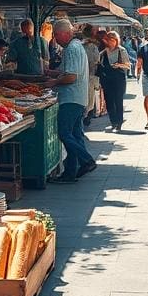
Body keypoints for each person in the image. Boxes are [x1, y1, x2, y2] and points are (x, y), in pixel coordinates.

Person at [45, 19, 96, 183]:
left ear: (63, 34)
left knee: (64, 133)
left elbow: (70, 77)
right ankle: (70, 173)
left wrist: (53, 82)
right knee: (75, 135)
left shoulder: (71, 49)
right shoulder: (76, 47)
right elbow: (64, 72)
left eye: (55, 35)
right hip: (78, 98)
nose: (55, 38)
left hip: (71, 98)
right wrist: (49, 73)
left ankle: (87, 160)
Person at [99, 31, 131, 131]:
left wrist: (119, 65)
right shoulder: (103, 53)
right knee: (109, 102)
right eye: (109, 40)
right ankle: (113, 122)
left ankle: (119, 123)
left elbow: (128, 65)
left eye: (113, 40)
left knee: (118, 101)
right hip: (107, 80)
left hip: (118, 80)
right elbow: (99, 65)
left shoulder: (122, 51)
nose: (111, 42)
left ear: (117, 41)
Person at [81, 24, 101, 125]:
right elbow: (97, 61)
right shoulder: (93, 46)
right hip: (91, 76)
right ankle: (87, 117)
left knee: (85, 98)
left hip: (82, 77)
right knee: (90, 99)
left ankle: (85, 117)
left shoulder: (80, 46)